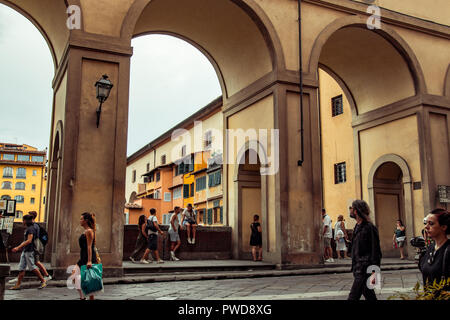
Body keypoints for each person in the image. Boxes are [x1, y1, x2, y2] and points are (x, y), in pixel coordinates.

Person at [347, 200, 382, 301]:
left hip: (365, 269)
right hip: (357, 267)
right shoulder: (357, 227)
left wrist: (374, 272)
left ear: (356, 211)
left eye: (352, 208)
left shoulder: (369, 227)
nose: (350, 210)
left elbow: (376, 251)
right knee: (369, 295)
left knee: (353, 296)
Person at [10, 214, 47, 290]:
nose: (22, 221)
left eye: (23, 220)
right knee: (22, 267)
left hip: (29, 250)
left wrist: (18, 247)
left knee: (32, 267)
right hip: (26, 250)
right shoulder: (31, 227)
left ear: (26, 221)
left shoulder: (30, 229)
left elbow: (29, 240)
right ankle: (18, 285)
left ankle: (43, 280)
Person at [419, 208, 450, 290]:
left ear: (443, 227)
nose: (426, 227)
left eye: (431, 224)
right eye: (426, 223)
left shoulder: (448, 250)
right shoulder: (430, 248)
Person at [74, 212, 99, 300]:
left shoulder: (89, 231)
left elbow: (89, 247)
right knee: (75, 276)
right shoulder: (86, 231)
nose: (80, 221)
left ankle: (85, 297)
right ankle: (82, 297)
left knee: (89, 281)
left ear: (86, 220)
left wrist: (89, 261)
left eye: (81, 219)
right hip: (83, 257)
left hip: (88, 258)